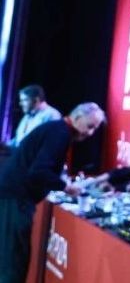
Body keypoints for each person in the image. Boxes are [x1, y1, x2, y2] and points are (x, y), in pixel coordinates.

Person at [0, 102, 105, 283]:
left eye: (94, 129)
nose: (90, 133)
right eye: (90, 126)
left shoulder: (56, 129)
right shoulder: (60, 133)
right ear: (78, 116)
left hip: (12, 195)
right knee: (14, 263)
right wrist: (65, 186)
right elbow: (39, 171)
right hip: (17, 198)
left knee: (10, 259)